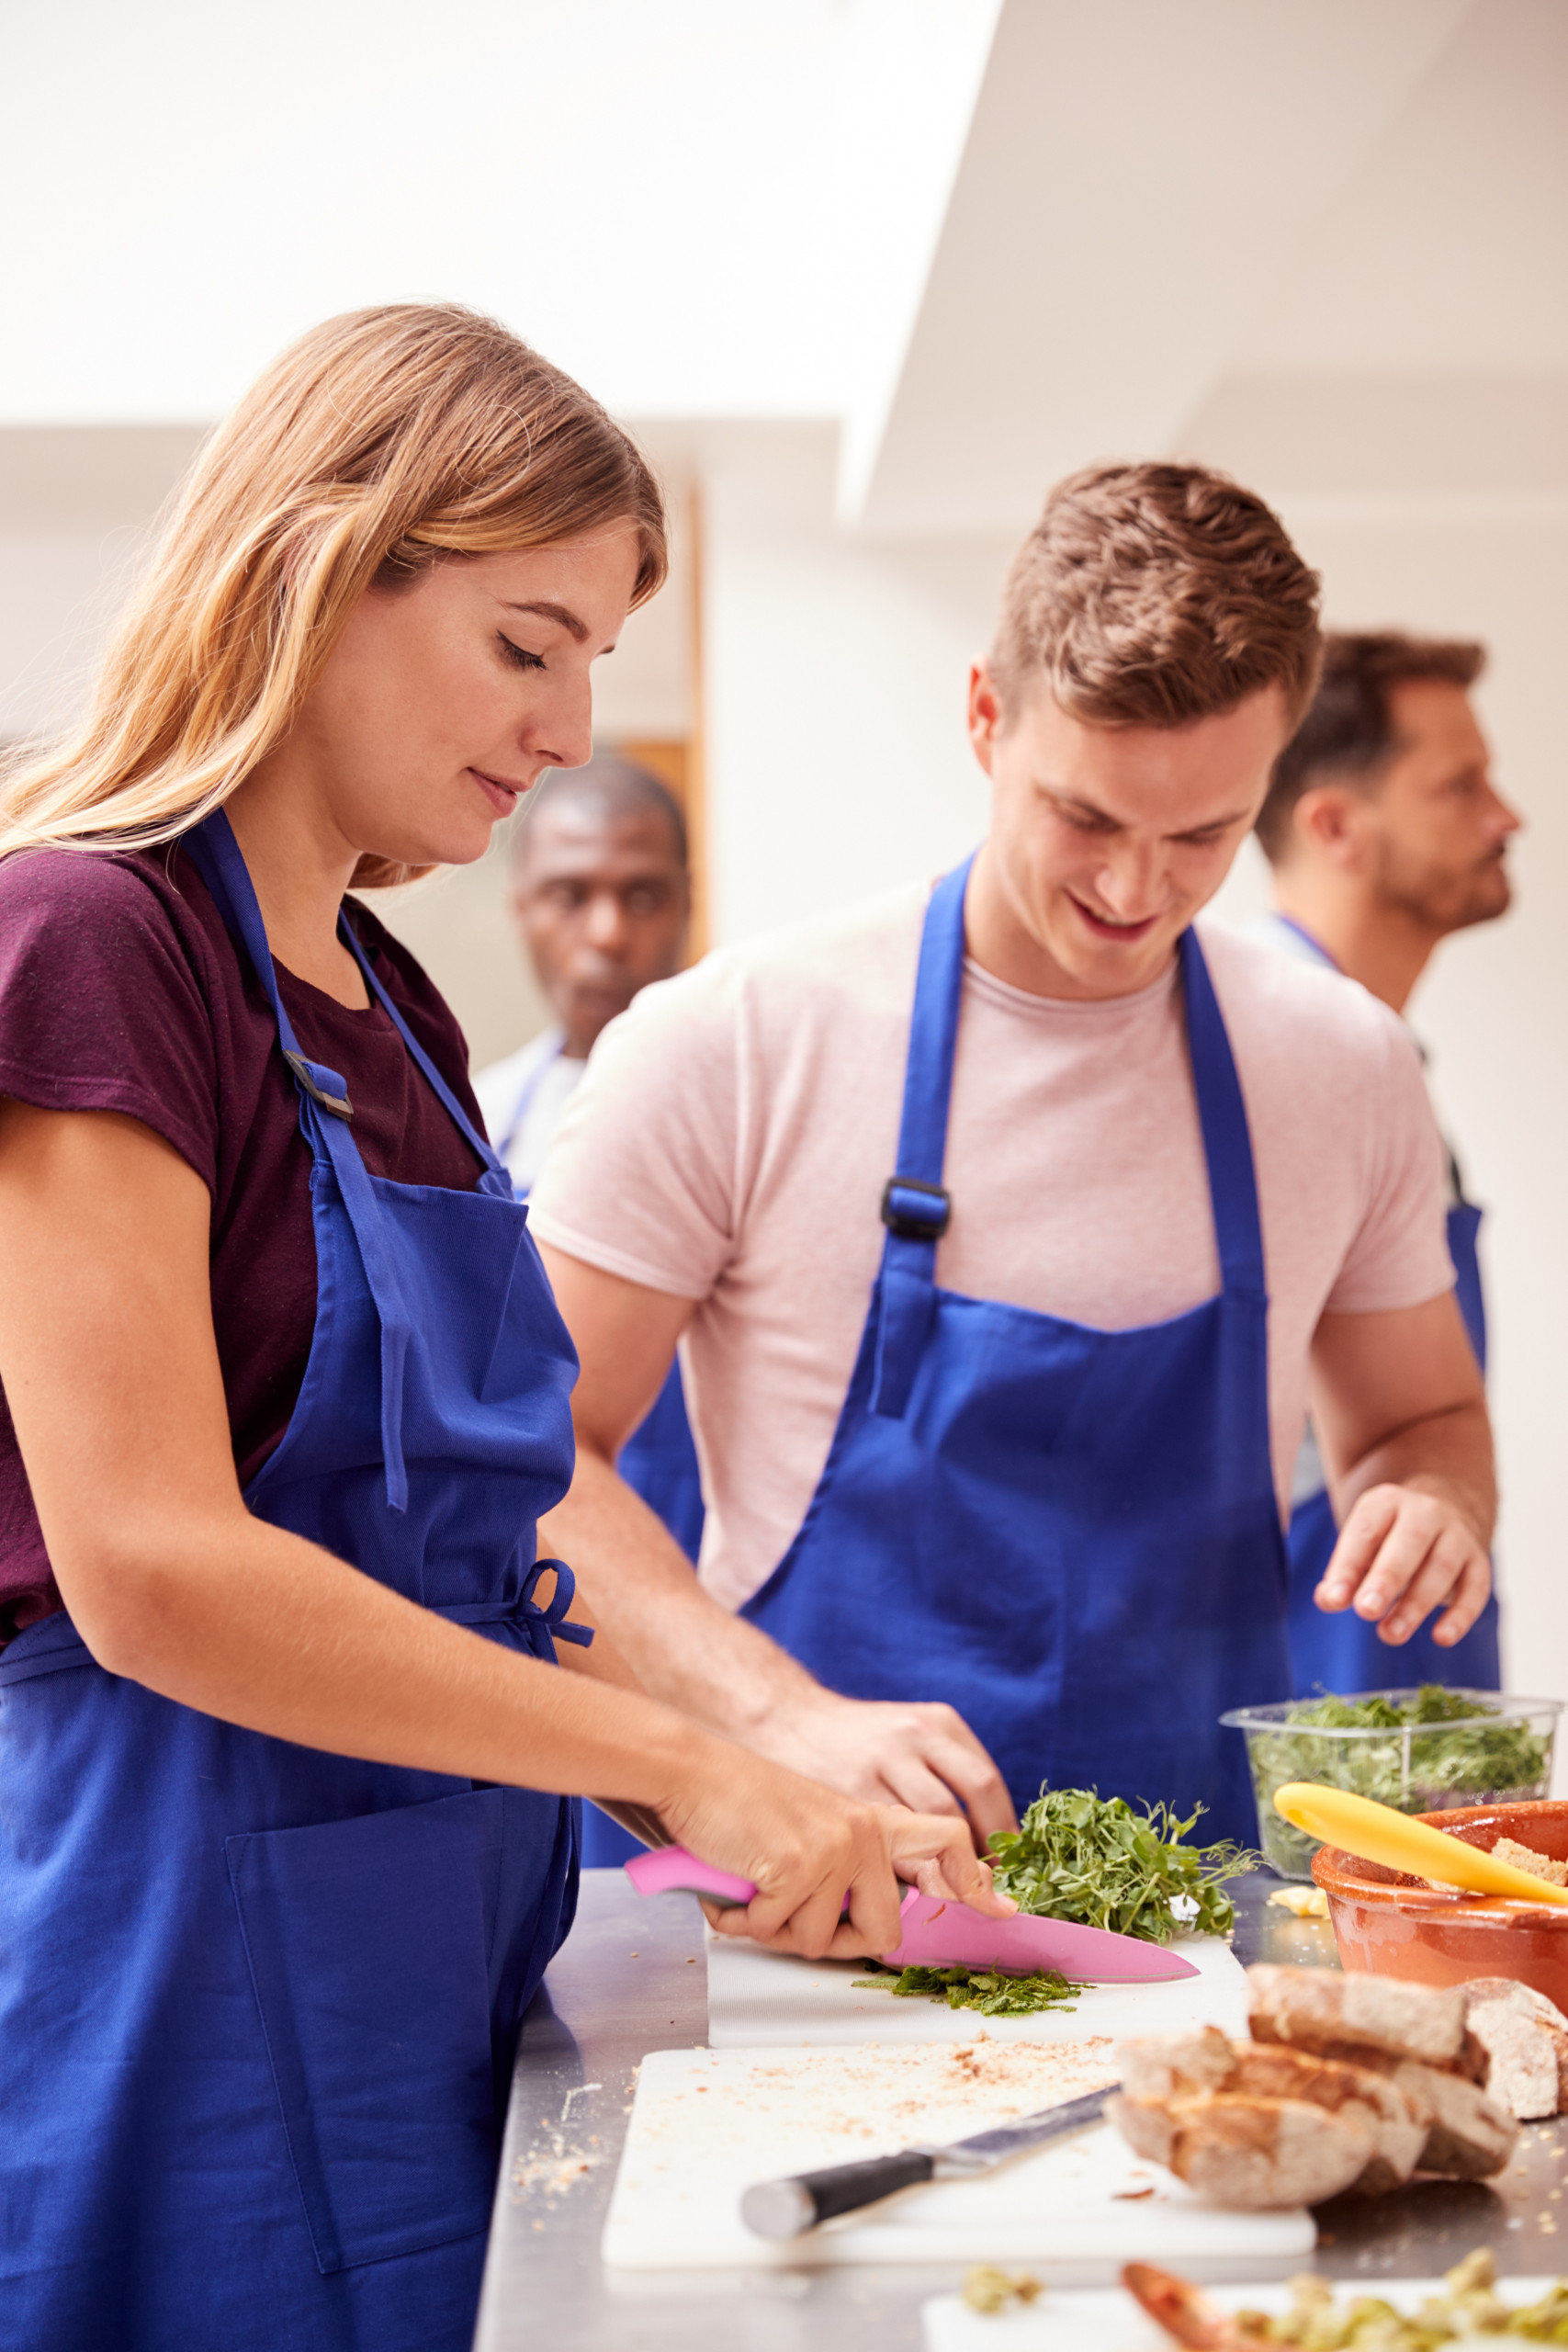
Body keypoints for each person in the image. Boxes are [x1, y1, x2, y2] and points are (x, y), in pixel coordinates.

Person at [0, 304, 1004, 2352]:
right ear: (312, 570)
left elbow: (477, 1531)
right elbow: (157, 1571)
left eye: (593, 664)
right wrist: (689, 1761)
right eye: (523, 642)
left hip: (443, 1943)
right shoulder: (85, 939)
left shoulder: (404, 1016)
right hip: (171, 1947)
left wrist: (741, 1767)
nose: (562, 727)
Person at [526, 460, 1498, 1854]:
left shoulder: (1339, 1065)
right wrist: (776, 1715)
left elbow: (1420, 1424)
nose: (1130, 891)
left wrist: (1431, 1501)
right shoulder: (734, 1043)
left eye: (1201, 836)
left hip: (1193, 1910)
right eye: (1085, 818)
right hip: (811, 1892)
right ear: (985, 715)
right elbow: (533, 1463)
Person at [1252, 631, 1522, 1696]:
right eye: (1459, 786)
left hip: (1406, 1657)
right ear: (1333, 824)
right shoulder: (1279, 1060)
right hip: (1321, 1668)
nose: (1507, 817)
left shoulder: (1382, 1061)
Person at [475, 756, 705, 1861]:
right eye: (571, 894)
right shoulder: (469, 1119)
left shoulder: (730, 1113)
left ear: (687, 903)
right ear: (522, 904)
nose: (608, 930)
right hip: (517, 1601)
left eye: (643, 892)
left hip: (685, 1584)